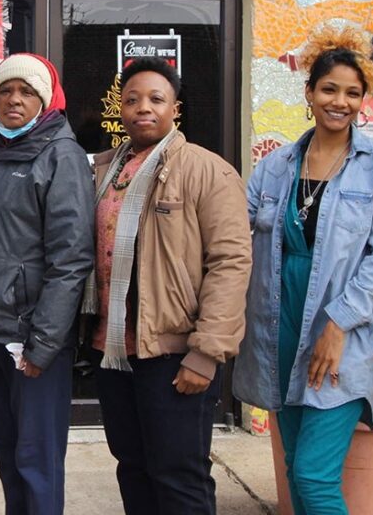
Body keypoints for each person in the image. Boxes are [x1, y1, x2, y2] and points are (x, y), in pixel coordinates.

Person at [235, 26, 373, 515]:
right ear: (309, 93)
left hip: (343, 331)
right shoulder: (275, 167)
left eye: (353, 93)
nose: (341, 101)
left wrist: (338, 324)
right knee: (294, 466)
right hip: (279, 324)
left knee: (313, 476)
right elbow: (234, 234)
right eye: (329, 89)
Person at [83, 57, 251, 514]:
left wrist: (206, 352)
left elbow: (231, 264)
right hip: (115, 350)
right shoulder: (105, 171)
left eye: (156, 99)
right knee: (133, 467)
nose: (143, 108)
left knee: (178, 476)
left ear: (175, 108)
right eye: (132, 99)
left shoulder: (207, 172)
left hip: (175, 353)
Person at [0, 53, 94, 515]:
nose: (14, 99)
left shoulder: (61, 156)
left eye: (27, 91)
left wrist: (44, 343)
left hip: (32, 338)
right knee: (9, 455)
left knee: (36, 460)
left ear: (45, 99)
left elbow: (71, 258)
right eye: (5, 90)